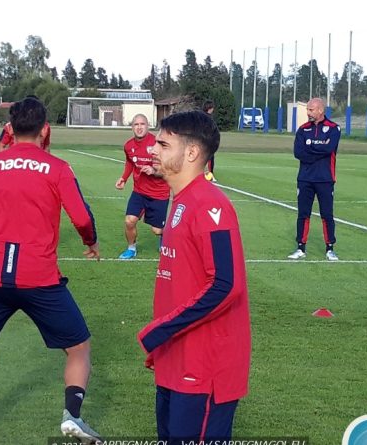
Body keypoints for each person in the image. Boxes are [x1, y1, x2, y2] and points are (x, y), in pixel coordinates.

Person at [0, 97, 103, 445]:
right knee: (78, 347)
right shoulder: (57, 167)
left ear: (10, 129)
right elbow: (81, 218)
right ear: (46, 129)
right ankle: (72, 416)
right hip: (39, 277)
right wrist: (90, 241)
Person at [138, 111, 251, 442]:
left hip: (203, 368)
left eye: (162, 144)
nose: (153, 150)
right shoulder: (182, 201)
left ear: (190, 153)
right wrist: (165, 341)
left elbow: (226, 284)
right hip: (176, 358)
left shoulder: (209, 204)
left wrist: (162, 329)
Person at [287, 97, 340, 261]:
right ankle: (300, 248)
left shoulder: (333, 128)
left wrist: (311, 148)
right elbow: (298, 153)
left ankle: (330, 248)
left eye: (311, 110)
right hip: (305, 178)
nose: (308, 113)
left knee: (327, 214)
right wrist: (318, 149)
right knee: (303, 214)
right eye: (307, 109)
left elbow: (329, 148)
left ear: (320, 110)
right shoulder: (303, 130)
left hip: (325, 178)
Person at [115, 113, 170, 260]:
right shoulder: (128, 146)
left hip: (159, 193)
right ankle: (131, 248)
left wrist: (154, 171)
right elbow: (129, 163)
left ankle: (166, 236)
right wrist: (123, 178)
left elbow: (169, 168)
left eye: (142, 124)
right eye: (136, 124)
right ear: (132, 127)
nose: (139, 127)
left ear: (148, 125)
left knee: (157, 230)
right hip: (139, 191)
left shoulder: (158, 144)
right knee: (129, 221)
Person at [202, 100, 217, 182]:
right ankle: (210, 175)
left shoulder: (202, 116)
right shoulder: (207, 117)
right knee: (210, 158)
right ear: (209, 108)